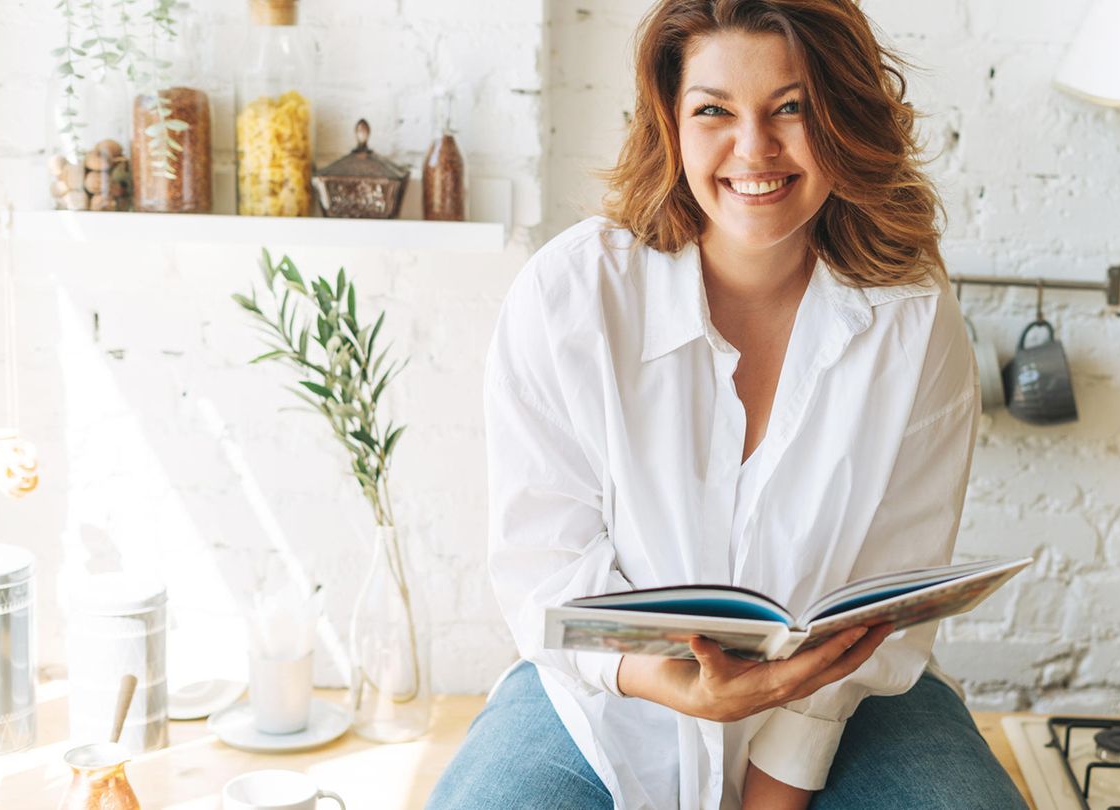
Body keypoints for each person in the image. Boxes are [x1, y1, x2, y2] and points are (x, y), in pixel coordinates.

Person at [427, 1, 1028, 808]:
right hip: (608, 696)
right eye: (714, 110)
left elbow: (891, 592)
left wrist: (773, 795)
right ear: (670, 123)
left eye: (792, 108)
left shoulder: (913, 318)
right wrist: (670, 684)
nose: (755, 149)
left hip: (846, 690)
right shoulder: (570, 296)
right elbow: (545, 564)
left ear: (844, 116)